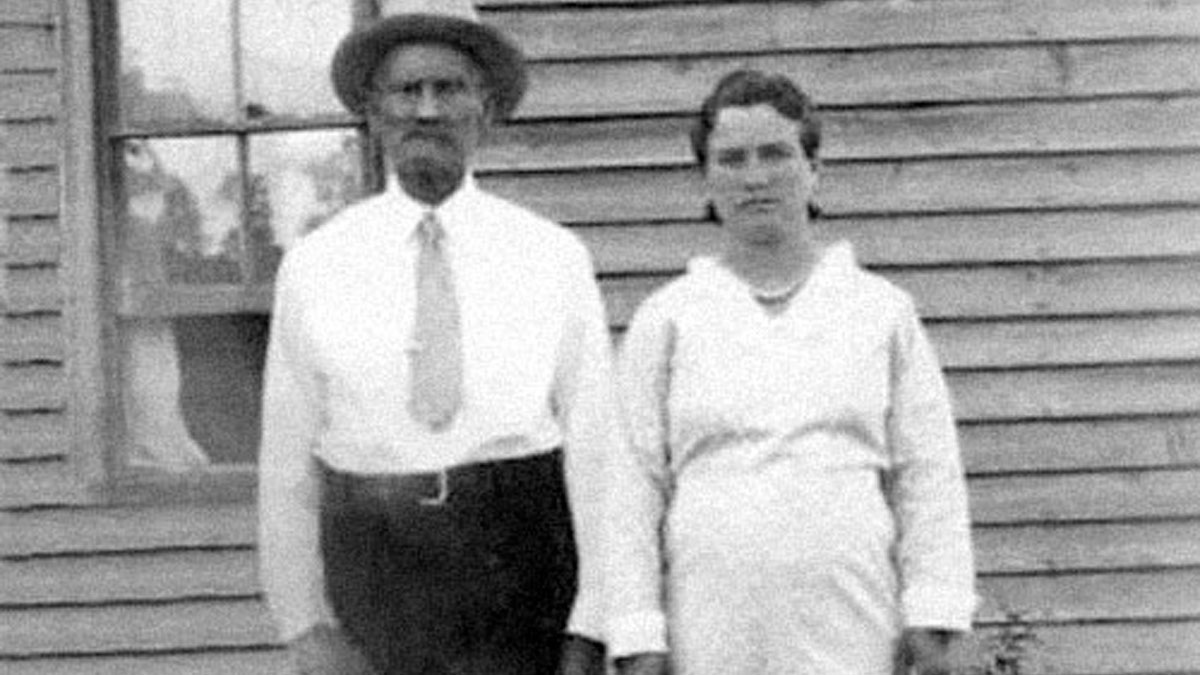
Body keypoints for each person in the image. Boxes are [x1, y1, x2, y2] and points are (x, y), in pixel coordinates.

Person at [257, 2, 618, 674]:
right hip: (374, 564)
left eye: (448, 89)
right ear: (374, 111)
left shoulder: (551, 256)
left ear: (485, 108)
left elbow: (597, 454)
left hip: (519, 561)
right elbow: (286, 467)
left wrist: (591, 621)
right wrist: (305, 625)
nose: (426, 110)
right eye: (405, 90)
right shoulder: (317, 263)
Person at [605, 69, 977, 675]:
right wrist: (639, 635)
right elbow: (631, 489)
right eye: (732, 160)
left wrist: (935, 617)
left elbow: (928, 476)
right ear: (706, 182)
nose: (754, 178)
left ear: (813, 171)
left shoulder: (879, 311)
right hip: (710, 626)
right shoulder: (668, 317)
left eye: (775, 154)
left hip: (852, 620)